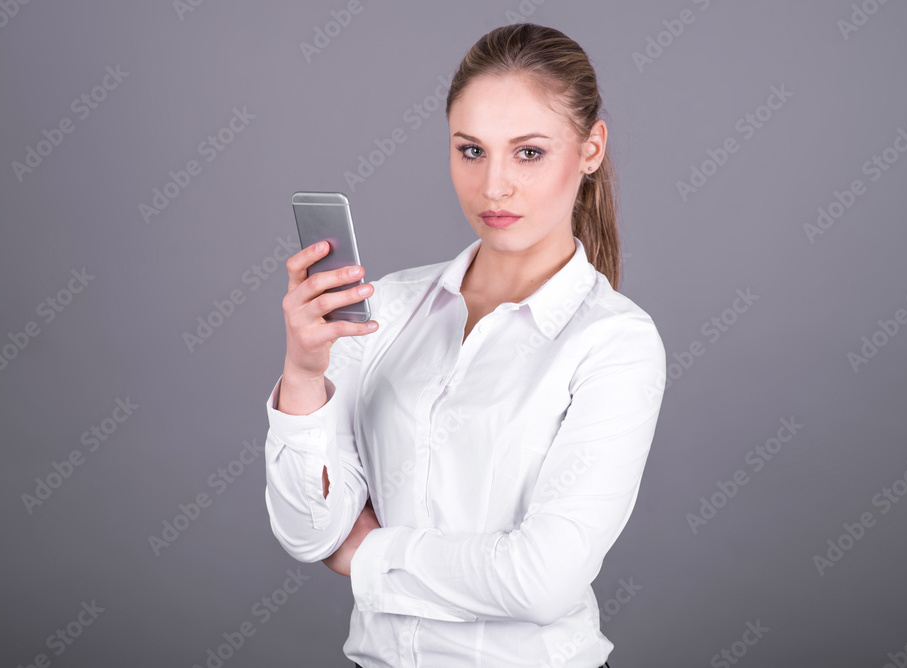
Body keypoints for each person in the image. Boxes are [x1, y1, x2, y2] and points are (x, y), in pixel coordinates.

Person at [263, 23, 666, 668]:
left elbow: (542, 581)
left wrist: (368, 553)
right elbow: (308, 531)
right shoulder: (387, 309)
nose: (494, 186)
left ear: (590, 149)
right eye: (471, 150)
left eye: (528, 152)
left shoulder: (615, 342)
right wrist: (305, 374)